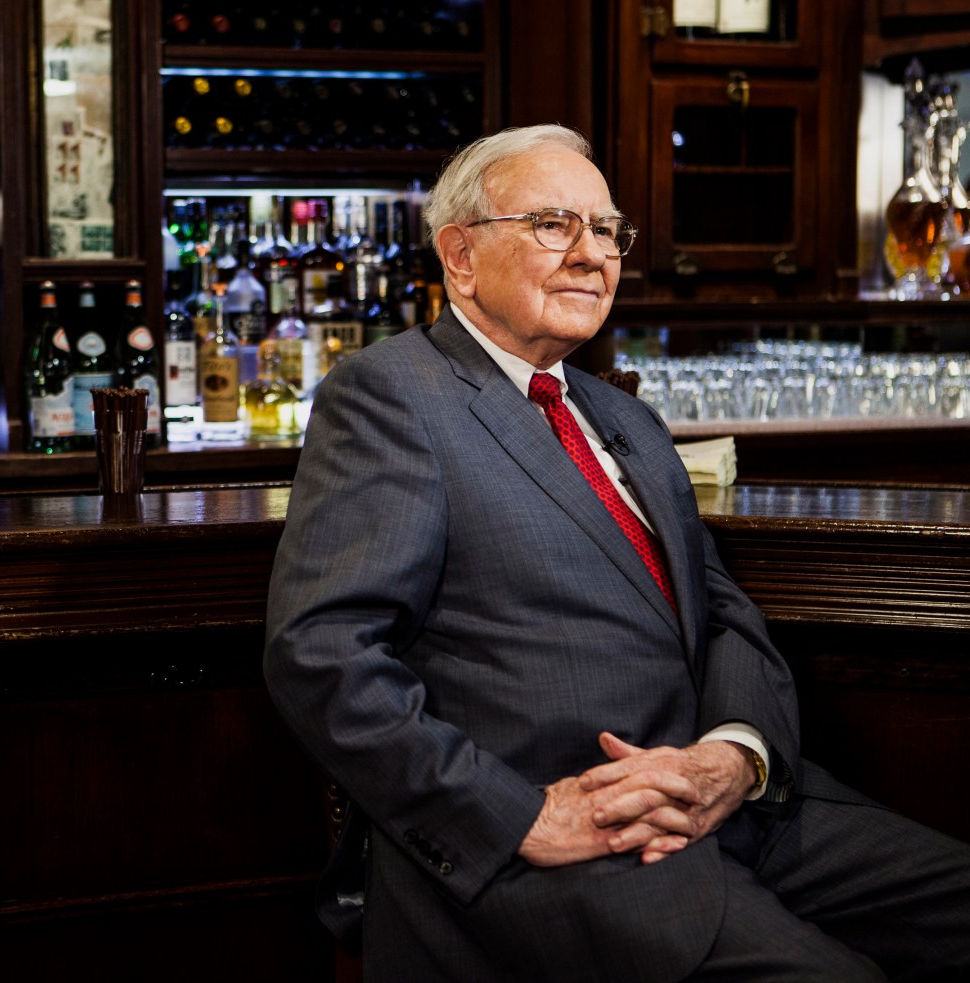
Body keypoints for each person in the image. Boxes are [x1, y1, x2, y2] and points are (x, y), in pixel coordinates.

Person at [262, 124, 970, 982]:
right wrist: (520, 818)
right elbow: (322, 653)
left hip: (726, 808)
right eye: (553, 224)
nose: (592, 254)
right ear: (460, 256)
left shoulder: (624, 415)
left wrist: (734, 755)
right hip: (564, 841)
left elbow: (724, 614)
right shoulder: (390, 395)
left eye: (606, 230)